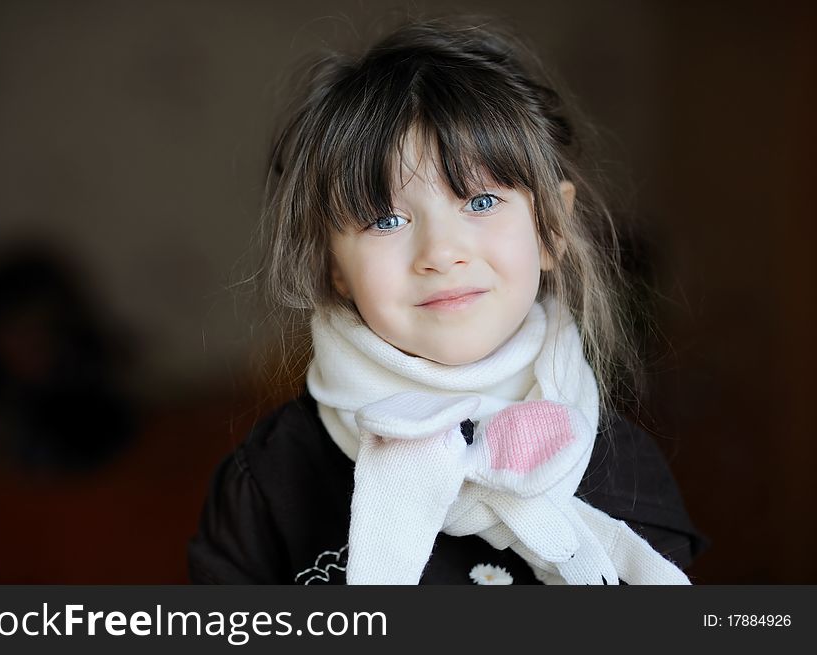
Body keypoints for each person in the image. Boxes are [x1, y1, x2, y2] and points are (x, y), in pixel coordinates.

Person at [189, 19, 706, 585]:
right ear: (334, 267)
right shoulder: (271, 479)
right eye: (387, 219)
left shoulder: (620, 471)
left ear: (551, 229)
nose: (440, 252)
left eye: (481, 201)